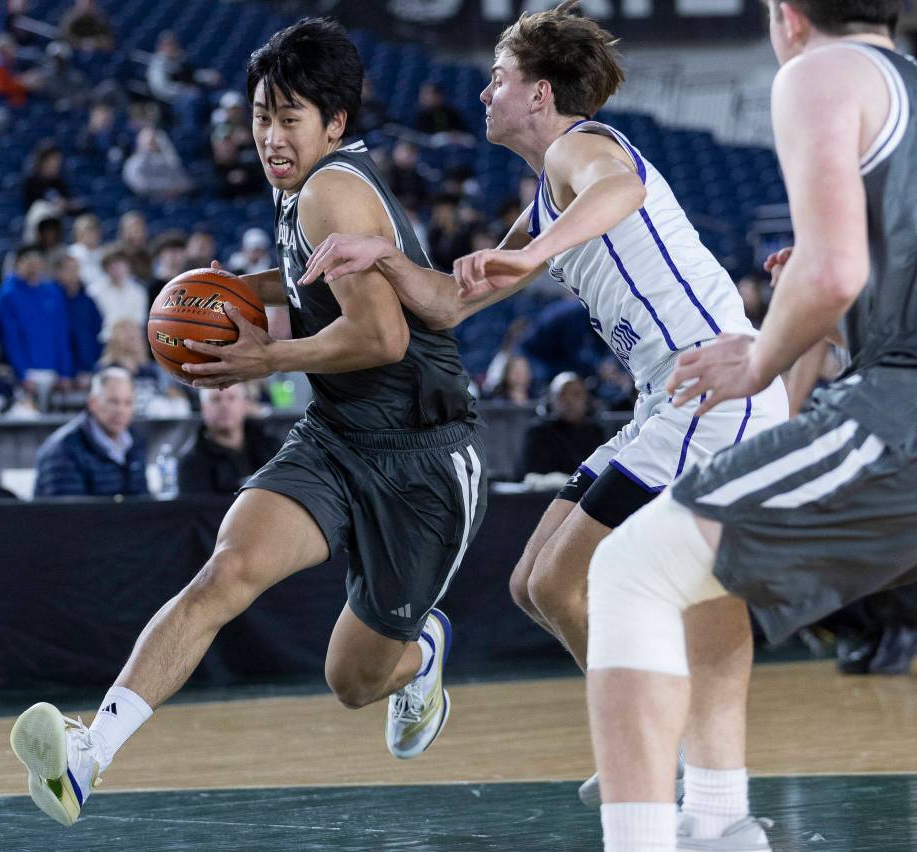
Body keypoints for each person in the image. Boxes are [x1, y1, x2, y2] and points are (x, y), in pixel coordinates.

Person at [298, 0, 788, 809]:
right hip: (666, 400)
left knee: (564, 583)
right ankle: (656, 735)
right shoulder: (548, 192)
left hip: (713, 392)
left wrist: (539, 254)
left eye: (498, 77)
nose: (485, 92)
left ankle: (654, 744)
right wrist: (381, 255)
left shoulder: (581, 147)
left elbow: (620, 190)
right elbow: (449, 305)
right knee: (533, 585)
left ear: (539, 94)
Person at [11, 18, 486, 827]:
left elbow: (383, 336)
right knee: (224, 573)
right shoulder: (301, 187)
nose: (268, 134)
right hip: (338, 436)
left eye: (288, 116)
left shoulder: (331, 188)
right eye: (262, 114)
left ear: (335, 124)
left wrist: (268, 360)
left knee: (353, 681)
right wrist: (240, 289)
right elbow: (316, 286)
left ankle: (423, 655)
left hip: (422, 457)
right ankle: (89, 754)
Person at [581, 2, 914, 849]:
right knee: (701, 571)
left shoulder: (820, 71)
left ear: (787, 15)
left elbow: (834, 271)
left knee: (629, 569)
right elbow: (853, 274)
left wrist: (759, 357)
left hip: (902, 406)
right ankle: (721, 824)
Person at [33, 366, 147, 497]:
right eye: (113, 401)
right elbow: (66, 513)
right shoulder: (63, 449)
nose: (121, 410)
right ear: (93, 403)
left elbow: (143, 500)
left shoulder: (135, 442)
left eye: (128, 403)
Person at [0, 245, 73, 389]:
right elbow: (10, 337)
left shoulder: (53, 291)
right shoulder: (7, 294)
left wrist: (64, 372)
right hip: (24, 374)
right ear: (18, 263)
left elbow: (61, 333)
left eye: (38, 261)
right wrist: (22, 372)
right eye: (29, 262)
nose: (34, 267)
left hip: (52, 371)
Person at [178, 385, 279, 494]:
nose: (224, 406)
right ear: (203, 408)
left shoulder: (271, 446)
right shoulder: (191, 464)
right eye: (216, 399)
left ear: (244, 404)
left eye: (231, 398)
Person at [518, 372, 604, 480]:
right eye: (562, 394)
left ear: (587, 400)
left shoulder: (597, 432)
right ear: (550, 400)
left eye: (576, 394)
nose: (569, 401)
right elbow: (530, 477)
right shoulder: (537, 433)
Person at [50, 253, 102, 383]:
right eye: (69, 270)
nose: (74, 274)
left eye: (76, 269)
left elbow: (96, 332)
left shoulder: (87, 301)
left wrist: (89, 366)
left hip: (86, 369)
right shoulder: (50, 300)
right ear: (58, 272)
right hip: (56, 371)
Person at [86, 244, 147, 333]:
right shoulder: (94, 292)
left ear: (128, 265)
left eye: (120, 263)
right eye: (111, 264)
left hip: (132, 340)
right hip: (104, 341)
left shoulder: (139, 291)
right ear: (105, 267)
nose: (115, 267)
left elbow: (140, 321)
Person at [122, 127, 191, 199]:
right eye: (150, 143)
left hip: (174, 198)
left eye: (155, 142)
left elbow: (181, 177)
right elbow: (139, 184)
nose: (153, 145)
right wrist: (166, 187)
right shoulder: (134, 163)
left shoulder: (165, 159)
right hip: (148, 201)